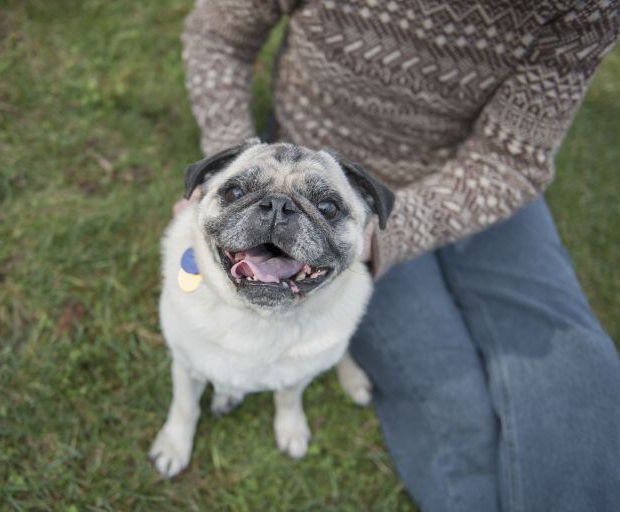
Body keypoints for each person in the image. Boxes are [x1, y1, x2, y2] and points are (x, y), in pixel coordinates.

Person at [179, 0, 620, 510]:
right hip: (319, 183)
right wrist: (234, 179)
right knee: (449, 399)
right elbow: (218, 36)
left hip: (463, 186)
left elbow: (512, 159)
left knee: (576, 365)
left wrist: (382, 231)